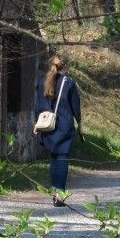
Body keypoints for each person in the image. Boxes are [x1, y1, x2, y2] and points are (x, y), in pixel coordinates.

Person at [33, 55, 81, 206]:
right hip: (64, 124)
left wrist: (37, 123)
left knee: (54, 159)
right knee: (62, 159)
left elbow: (39, 105)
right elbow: (75, 106)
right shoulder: (69, 83)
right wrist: (79, 122)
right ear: (65, 67)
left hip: (47, 125)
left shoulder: (42, 82)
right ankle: (59, 194)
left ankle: (54, 191)